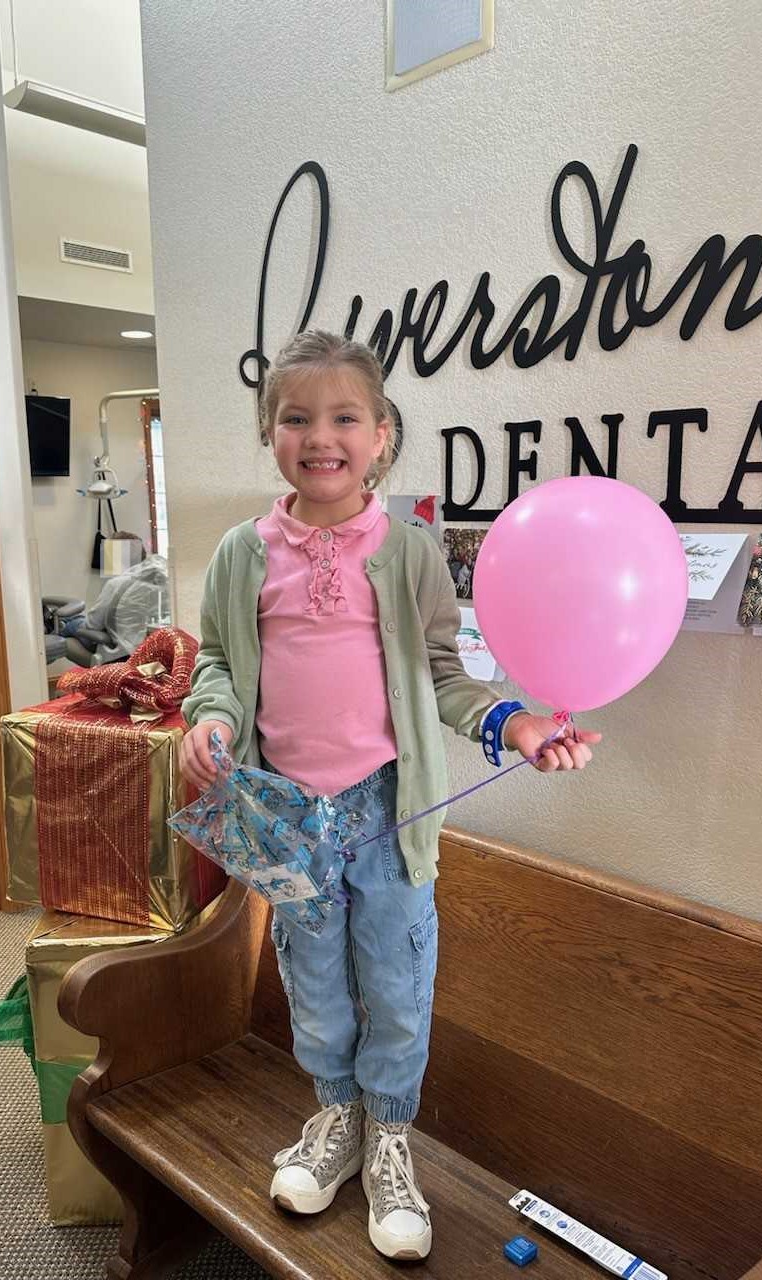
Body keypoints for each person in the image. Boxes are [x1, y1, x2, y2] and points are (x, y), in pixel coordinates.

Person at [180, 329, 601, 1261]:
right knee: (314, 983)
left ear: (380, 436)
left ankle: (390, 1138)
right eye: (296, 418)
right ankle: (336, 1117)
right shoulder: (242, 553)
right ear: (269, 432)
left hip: (387, 813)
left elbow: (444, 675)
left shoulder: (410, 553)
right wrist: (208, 719)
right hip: (288, 817)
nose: (319, 436)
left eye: (344, 418)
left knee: (397, 984)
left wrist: (516, 726)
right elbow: (218, 664)